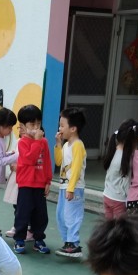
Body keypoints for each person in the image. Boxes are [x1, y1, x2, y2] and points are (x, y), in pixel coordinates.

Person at [11, 104, 52, 255]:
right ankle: (19, 239)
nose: (36, 127)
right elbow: (30, 159)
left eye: (38, 124)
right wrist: (37, 142)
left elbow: (47, 162)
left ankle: (39, 239)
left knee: (41, 215)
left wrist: (48, 181)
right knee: (23, 213)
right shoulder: (22, 142)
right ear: (22, 126)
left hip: (40, 184)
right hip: (26, 184)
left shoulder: (44, 142)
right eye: (32, 124)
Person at [54, 107, 88, 258]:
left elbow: (76, 168)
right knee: (61, 215)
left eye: (62, 125)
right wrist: (58, 144)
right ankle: (68, 243)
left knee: (72, 215)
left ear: (73, 128)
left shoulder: (78, 145)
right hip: (65, 186)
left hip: (74, 188)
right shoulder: (67, 145)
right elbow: (59, 161)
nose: (60, 128)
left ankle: (73, 244)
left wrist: (71, 188)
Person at [101, 119, 135, 220]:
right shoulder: (125, 159)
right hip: (119, 199)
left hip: (107, 195)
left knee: (109, 226)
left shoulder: (112, 152)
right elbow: (126, 183)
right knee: (119, 227)